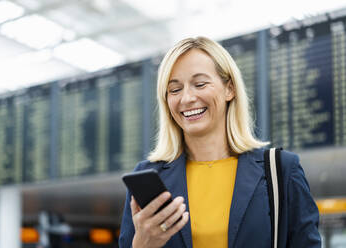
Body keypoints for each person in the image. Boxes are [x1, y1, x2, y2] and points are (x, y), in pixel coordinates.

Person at [119, 36, 321, 248]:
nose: (187, 98)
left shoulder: (281, 170)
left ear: (229, 89)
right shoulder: (149, 178)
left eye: (200, 84)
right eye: (175, 89)